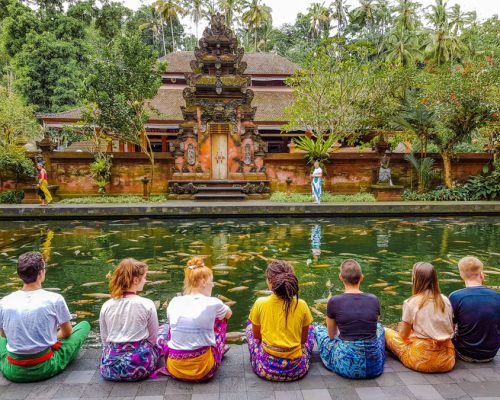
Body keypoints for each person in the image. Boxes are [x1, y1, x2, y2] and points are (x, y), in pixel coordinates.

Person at [0, 252, 90, 382]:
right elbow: (67, 332)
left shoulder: (4, 302)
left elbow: (3, 335)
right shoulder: (55, 299)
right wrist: (50, 336)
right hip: (45, 367)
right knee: (84, 326)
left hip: (13, 370)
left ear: (20, 275)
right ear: (41, 273)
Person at [156, 257, 232, 382]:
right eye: (211, 281)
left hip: (174, 367)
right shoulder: (213, 302)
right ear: (203, 282)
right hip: (203, 370)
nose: (212, 285)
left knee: (168, 327)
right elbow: (229, 314)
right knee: (221, 318)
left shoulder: (174, 301)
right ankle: (218, 348)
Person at [314, 259, 385, 379]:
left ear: (341, 277)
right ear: (362, 277)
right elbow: (371, 327)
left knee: (318, 330)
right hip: (374, 366)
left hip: (346, 366)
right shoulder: (374, 299)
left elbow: (332, 336)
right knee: (380, 328)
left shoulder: (334, 301)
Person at [247, 260, 314, 381]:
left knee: (249, 327)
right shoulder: (302, 304)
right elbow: (303, 340)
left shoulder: (260, 303)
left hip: (266, 368)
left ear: (270, 282)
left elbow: (257, 336)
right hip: (296, 369)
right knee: (311, 329)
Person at [385, 261, 455, 373]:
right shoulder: (445, 300)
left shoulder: (411, 302)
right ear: (435, 279)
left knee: (386, 332)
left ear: (415, 279)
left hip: (421, 360)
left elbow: (403, 335)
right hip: (447, 360)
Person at [99, 258, 160, 381]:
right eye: (144, 277)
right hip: (139, 367)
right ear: (136, 280)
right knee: (164, 333)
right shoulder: (146, 304)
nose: (146, 280)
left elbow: (105, 340)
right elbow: (153, 338)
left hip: (111, 370)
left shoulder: (107, 305)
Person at [449, 256, 500, 362]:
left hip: (465, 353)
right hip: (491, 354)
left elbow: (450, 329)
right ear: (482, 274)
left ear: (461, 275)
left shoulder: (455, 296)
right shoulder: (497, 296)